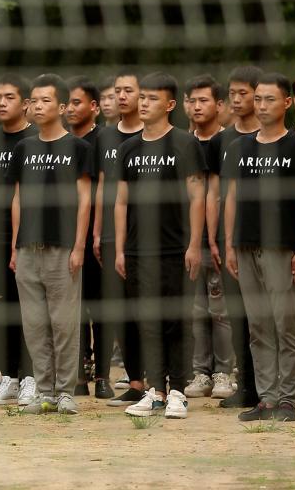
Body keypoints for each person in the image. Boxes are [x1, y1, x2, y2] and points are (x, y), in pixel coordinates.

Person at [115, 72, 205, 420]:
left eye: (152, 99)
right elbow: (121, 202)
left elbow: (197, 196)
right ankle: (156, 392)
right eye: (143, 97)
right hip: (139, 251)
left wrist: (194, 245)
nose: (144, 104)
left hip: (176, 248)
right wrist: (121, 249)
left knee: (177, 321)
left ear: (169, 105)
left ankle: (179, 392)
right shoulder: (127, 148)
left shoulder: (185, 144)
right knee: (148, 322)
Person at [222, 73, 295, 422]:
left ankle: (288, 398)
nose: (261, 105)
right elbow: (230, 199)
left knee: (284, 323)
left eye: (269, 99)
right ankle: (267, 398)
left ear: (286, 103)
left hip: (283, 247)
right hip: (245, 245)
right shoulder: (239, 148)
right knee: (258, 325)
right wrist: (228, 245)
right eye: (257, 99)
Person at [8, 74, 93, 416]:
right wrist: (15, 246)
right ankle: (43, 390)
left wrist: (79, 246)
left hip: (63, 248)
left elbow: (85, 199)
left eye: (45, 101)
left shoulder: (78, 148)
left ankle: (65, 392)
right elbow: (16, 199)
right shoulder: (23, 148)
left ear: (60, 107)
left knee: (64, 322)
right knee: (35, 323)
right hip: (28, 248)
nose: (38, 106)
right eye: (34, 100)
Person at [0, 74, 38, 406]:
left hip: (29, 238)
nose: (2, 103)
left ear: (26, 103)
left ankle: (31, 378)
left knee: (27, 310)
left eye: (9, 97)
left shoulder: (36, 139)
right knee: (0, 311)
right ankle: (9, 379)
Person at [206, 65, 263, 409]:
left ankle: (274, 388)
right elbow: (215, 193)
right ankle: (247, 386)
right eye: (233, 94)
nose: (237, 99)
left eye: (245, 93)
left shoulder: (278, 137)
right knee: (237, 315)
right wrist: (214, 238)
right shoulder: (220, 141)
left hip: (269, 239)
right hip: (230, 240)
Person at [183, 75, 234, 400]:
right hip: (187, 242)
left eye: (203, 100)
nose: (196, 106)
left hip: (220, 241)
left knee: (221, 311)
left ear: (220, 105)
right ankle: (200, 372)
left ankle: (225, 373)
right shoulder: (182, 142)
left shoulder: (229, 143)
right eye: (192, 100)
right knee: (196, 309)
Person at [99, 73, 146, 405]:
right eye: (118, 92)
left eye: (130, 91)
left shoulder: (154, 135)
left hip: (150, 235)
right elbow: (103, 185)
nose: (123, 97)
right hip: (111, 236)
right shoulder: (105, 137)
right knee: (120, 313)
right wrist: (97, 233)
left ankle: (163, 383)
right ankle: (135, 382)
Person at [65, 77, 103, 397]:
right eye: (68, 103)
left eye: (77, 102)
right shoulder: (58, 140)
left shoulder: (103, 139)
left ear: (94, 107)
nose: (70, 109)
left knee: (99, 307)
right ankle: (77, 375)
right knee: (73, 310)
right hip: (66, 237)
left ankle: (102, 375)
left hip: (96, 239)